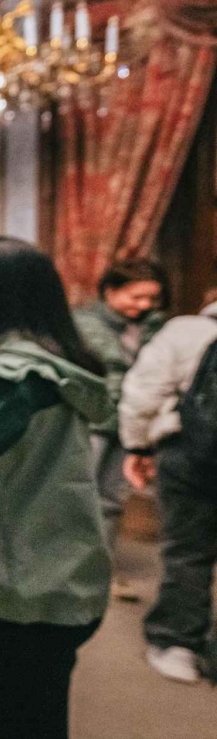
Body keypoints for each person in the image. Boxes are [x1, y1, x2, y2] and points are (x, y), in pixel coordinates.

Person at [0, 237, 111, 739]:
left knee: (22, 723)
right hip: (58, 570)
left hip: (20, 591)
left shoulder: (9, 378)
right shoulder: (41, 357)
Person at [119, 286, 217, 683]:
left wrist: (137, 445)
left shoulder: (185, 331)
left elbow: (144, 392)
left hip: (190, 454)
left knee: (187, 551)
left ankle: (177, 644)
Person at [73, 259, 167, 600]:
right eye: (136, 296)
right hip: (93, 420)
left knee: (112, 499)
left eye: (151, 299)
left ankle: (103, 570)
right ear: (111, 292)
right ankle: (69, 571)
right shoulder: (82, 324)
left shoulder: (157, 328)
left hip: (132, 426)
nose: (144, 306)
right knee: (79, 495)